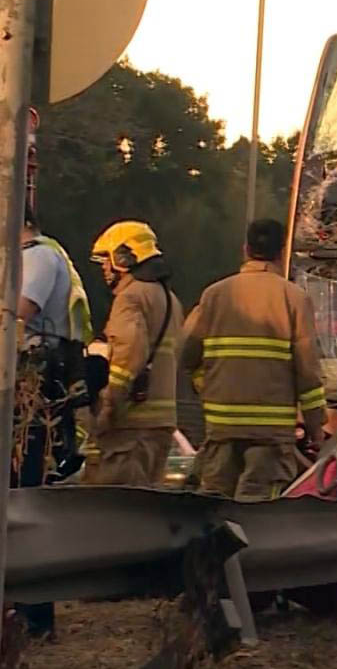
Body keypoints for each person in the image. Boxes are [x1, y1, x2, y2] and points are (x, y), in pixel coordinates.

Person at [182, 219, 327, 501]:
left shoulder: (214, 295)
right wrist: (315, 429)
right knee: (257, 511)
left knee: (215, 508)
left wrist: (207, 388)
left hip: (221, 428)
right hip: (270, 435)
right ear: (282, 252)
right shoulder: (294, 299)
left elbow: (187, 356)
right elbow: (308, 373)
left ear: (245, 249)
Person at [12, 210, 93, 641]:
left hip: (33, 390)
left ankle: (34, 616)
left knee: (24, 497)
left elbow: (18, 311)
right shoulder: (25, 258)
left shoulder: (39, 258)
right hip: (24, 389)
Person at [85, 220, 183, 487]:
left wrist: (109, 405)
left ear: (125, 257)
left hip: (130, 428)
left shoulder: (130, 298)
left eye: (107, 259)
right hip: (161, 426)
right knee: (145, 514)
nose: (104, 268)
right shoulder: (170, 299)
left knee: (118, 514)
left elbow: (130, 354)